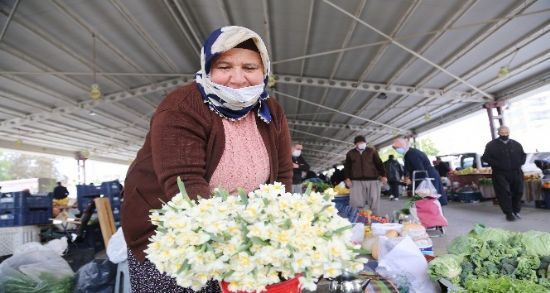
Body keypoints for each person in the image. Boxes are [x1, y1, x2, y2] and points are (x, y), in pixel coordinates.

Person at [121, 26, 293, 293]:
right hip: (173, 232)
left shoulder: (271, 110)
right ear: (208, 68)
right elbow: (184, 185)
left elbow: (282, 176)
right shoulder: (181, 107)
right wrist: (230, 243)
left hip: (240, 234)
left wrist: (275, 232)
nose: (238, 78)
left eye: (249, 67)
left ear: (264, 71)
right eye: (224, 66)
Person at [481, 126, 526, 221]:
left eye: (506, 132)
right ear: (498, 133)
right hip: (500, 173)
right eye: (502, 132)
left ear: (509, 132)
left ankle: (516, 211)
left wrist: (520, 163)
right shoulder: (491, 145)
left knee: (518, 191)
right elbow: (485, 158)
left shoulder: (516, 144)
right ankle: (508, 213)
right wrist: (497, 164)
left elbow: (523, 155)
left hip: (516, 171)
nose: (505, 134)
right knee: (504, 193)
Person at [392, 138, 448, 205]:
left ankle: (431, 213)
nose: (397, 150)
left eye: (397, 148)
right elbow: (408, 168)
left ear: (402, 145)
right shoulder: (410, 152)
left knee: (431, 198)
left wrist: (411, 180)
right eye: (395, 149)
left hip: (427, 175)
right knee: (430, 198)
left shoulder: (412, 154)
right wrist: (407, 176)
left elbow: (419, 170)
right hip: (428, 174)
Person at [344, 135, 387, 215]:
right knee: (356, 201)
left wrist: (384, 175)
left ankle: (375, 218)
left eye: (363, 142)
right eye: (360, 143)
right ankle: (357, 218)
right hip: (356, 181)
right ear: (355, 144)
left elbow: (379, 163)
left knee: (374, 200)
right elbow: (347, 167)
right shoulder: (350, 153)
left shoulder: (372, 151)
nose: (362, 144)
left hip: (373, 180)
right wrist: (347, 178)